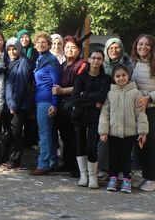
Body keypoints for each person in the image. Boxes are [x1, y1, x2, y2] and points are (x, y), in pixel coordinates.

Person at [99, 65, 149, 193]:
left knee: (127, 157)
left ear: (128, 76)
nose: (121, 78)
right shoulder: (110, 93)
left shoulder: (136, 93)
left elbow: (141, 114)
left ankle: (127, 178)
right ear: (113, 78)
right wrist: (103, 131)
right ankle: (113, 178)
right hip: (113, 132)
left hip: (130, 133)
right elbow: (105, 114)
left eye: (123, 75)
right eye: (118, 76)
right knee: (113, 156)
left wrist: (142, 132)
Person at [71, 49, 110, 188]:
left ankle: (93, 176)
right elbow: (75, 98)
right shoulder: (81, 77)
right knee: (80, 144)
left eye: (99, 58)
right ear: (88, 59)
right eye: (93, 58)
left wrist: (85, 95)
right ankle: (83, 175)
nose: (96, 61)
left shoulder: (105, 79)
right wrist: (94, 102)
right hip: (80, 115)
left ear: (102, 61)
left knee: (91, 146)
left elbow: (102, 97)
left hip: (96, 118)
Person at [52, 36, 87, 175]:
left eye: (73, 47)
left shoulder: (82, 65)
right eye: (67, 47)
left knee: (75, 137)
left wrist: (61, 90)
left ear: (79, 50)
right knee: (65, 136)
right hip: (63, 105)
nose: (69, 50)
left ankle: (78, 168)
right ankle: (67, 162)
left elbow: (81, 86)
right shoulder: (63, 65)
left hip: (75, 104)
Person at [30, 32, 61, 175]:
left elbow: (56, 84)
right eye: (38, 42)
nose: (40, 44)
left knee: (44, 134)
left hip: (47, 100)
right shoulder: (40, 59)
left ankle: (43, 164)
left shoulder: (51, 60)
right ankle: (52, 161)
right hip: (40, 99)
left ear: (49, 45)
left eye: (44, 42)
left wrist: (54, 104)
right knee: (49, 133)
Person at [2, 38, 32, 169]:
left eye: (14, 49)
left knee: (16, 132)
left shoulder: (23, 62)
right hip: (11, 103)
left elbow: (21, 84)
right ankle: (11, 158)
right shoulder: (10, 62)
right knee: (12, 131)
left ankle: (15, 160)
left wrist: (14, 104)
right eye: (9, 49)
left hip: (19, 104)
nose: (12, 52)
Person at [131, 34, 155, 191]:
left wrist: (149, 97)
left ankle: (152, 179)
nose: (143, 47)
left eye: (147, 44)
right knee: (141, 144)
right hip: (138, 110)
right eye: (140, 44)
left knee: (151, 144)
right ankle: (146, 176)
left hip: (152, 109)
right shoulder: (135, 63)